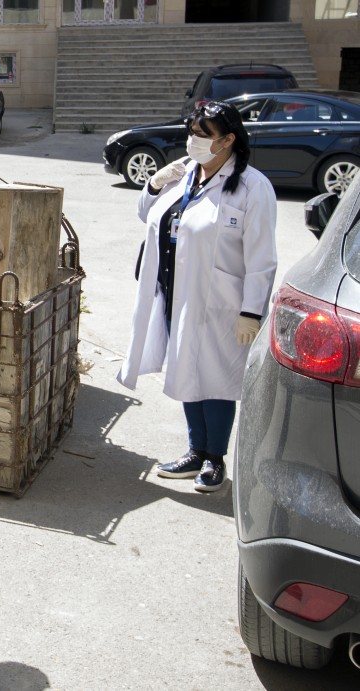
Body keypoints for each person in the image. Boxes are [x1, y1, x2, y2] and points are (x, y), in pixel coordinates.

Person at [117, 101, 277, 492]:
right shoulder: (187, 174)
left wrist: (251, 312)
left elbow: (262, 258)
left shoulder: (253, 187)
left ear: (228, 140)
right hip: (177, 293)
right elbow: (148, 215)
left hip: (223, 303)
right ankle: (195, 451)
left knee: (217, 379)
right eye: (192, 132)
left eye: (203, 135)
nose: (193, 141)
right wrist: (154, 184)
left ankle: (215, 459)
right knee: (186, 369)